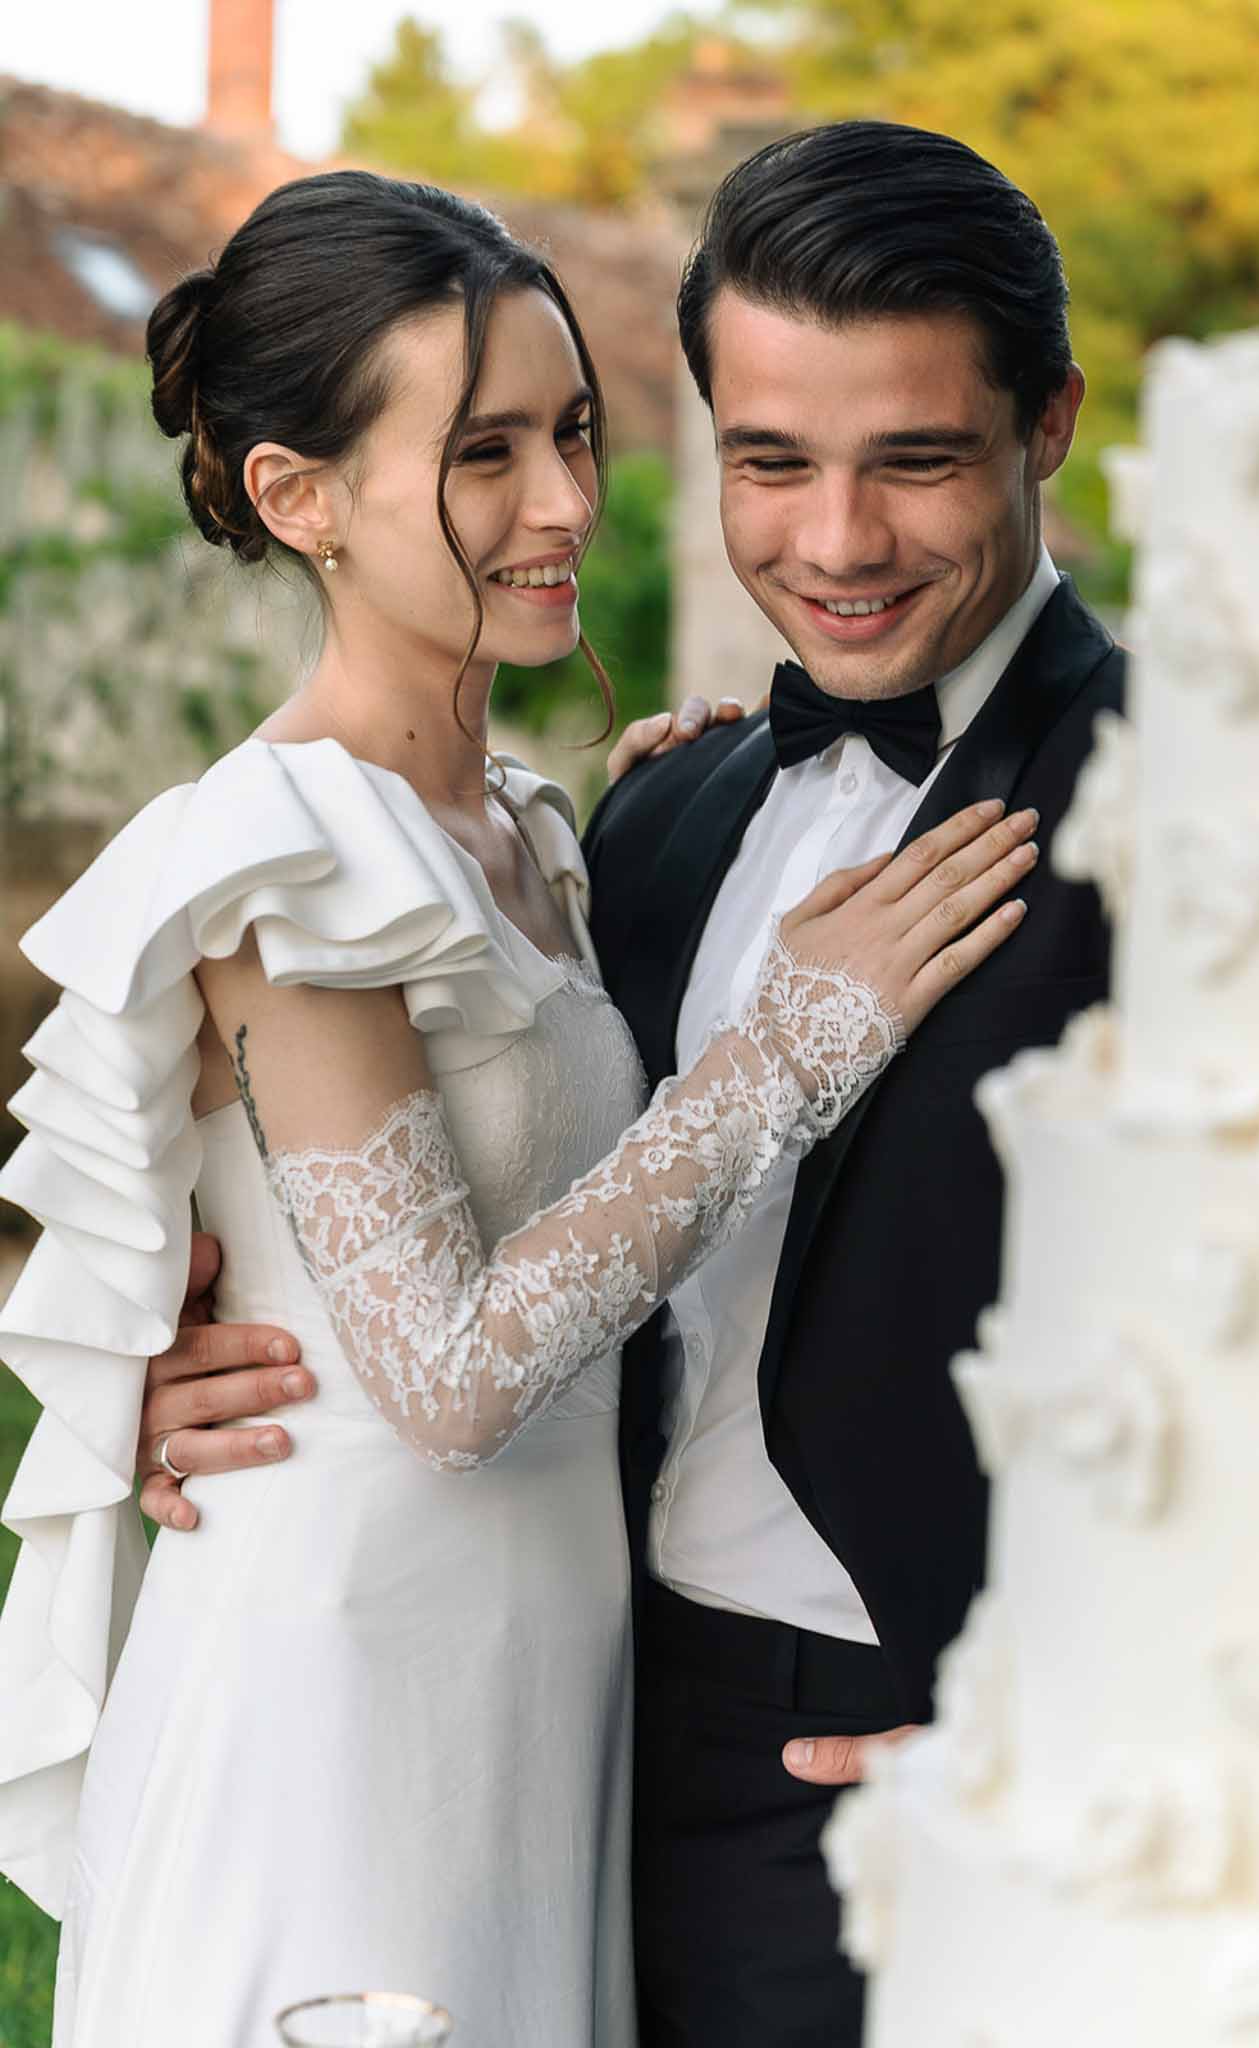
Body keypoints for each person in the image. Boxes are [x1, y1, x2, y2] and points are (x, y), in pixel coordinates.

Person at [0, 166, 1033, 2046]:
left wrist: (667, 827)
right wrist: (787, 1049)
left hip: (543, 1705)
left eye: (573, 431)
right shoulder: (285, 866)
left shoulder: (554, 836)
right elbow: (456, 1376)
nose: (566, 503)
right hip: (347, 1714)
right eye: (484, 454)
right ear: (292, 496)